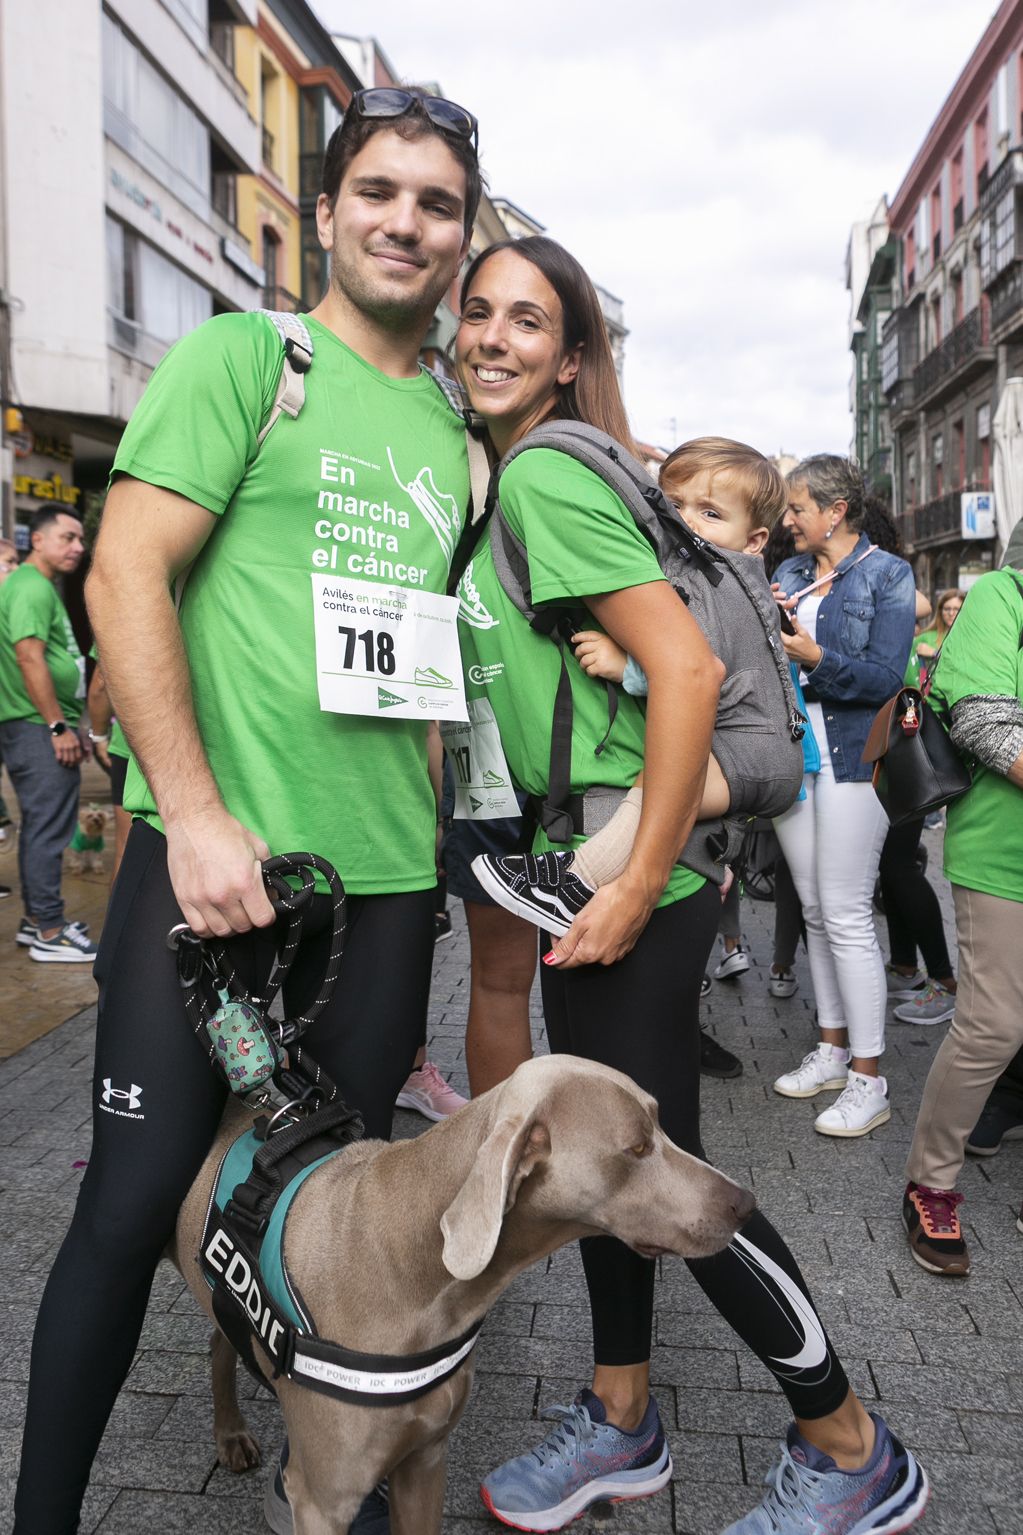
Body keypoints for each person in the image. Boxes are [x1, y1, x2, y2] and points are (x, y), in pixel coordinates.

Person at [13, 86, 482, 1535]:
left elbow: (416, 668)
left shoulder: (454, 435)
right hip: (211, 869)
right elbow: (125, 574)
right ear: (327, 212)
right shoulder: (246, 359)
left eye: (439, 202)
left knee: (318, 1213)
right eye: (381, 192)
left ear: (462, 236)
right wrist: (197, 818)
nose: (407, 219)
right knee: (128, 1199)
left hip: (385, 891)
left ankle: (314, 1474)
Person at [453, 236, 927, 1535]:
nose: (491, 337)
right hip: (623, 881)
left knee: (669, 1177)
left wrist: (633, 874)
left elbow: (690, 672)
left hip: (632, 889)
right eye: (474, 313)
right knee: (614, 1168)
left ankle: (848, 1447)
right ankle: (619, 1421)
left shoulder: (547, 473)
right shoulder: (547, 471)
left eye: (524, 319)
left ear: (569, 353)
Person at [770, 458, 915, 1136]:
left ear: (835, 510)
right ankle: (830, 1047)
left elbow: (887, 675)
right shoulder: (792, 575)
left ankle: (868, 1077)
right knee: (813, 908)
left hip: (857, 759)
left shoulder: (887, 574)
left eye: (797, 506)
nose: (786, 519)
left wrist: (815, 660)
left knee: (847, 910)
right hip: (795, 758)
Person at [902, 548, 1023, 1277]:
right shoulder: (1002, 594)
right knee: (993, 1024)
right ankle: (930, 1180)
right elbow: (982, 718)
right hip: (1003, 857)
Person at [0, 507, 98, 961]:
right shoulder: (30, 587)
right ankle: (51, 932)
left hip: (36, 724)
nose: (78, 546)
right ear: (37, 540)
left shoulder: (34, 586)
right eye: (67, 537)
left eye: (80, 538)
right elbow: (29, 657)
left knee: (42, 826)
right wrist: (58, 725)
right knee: (48, 829)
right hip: (38, 726)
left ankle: (38, 921)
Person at [904, 587, 965, 691]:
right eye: (947, 609)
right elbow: (911, 677)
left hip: (962, 698)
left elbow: (966, 666)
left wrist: (935, 653)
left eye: (956, 609)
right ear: (940, 611)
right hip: (930, 701)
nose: (951, 613)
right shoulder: (924, 638)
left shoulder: (970, 637)